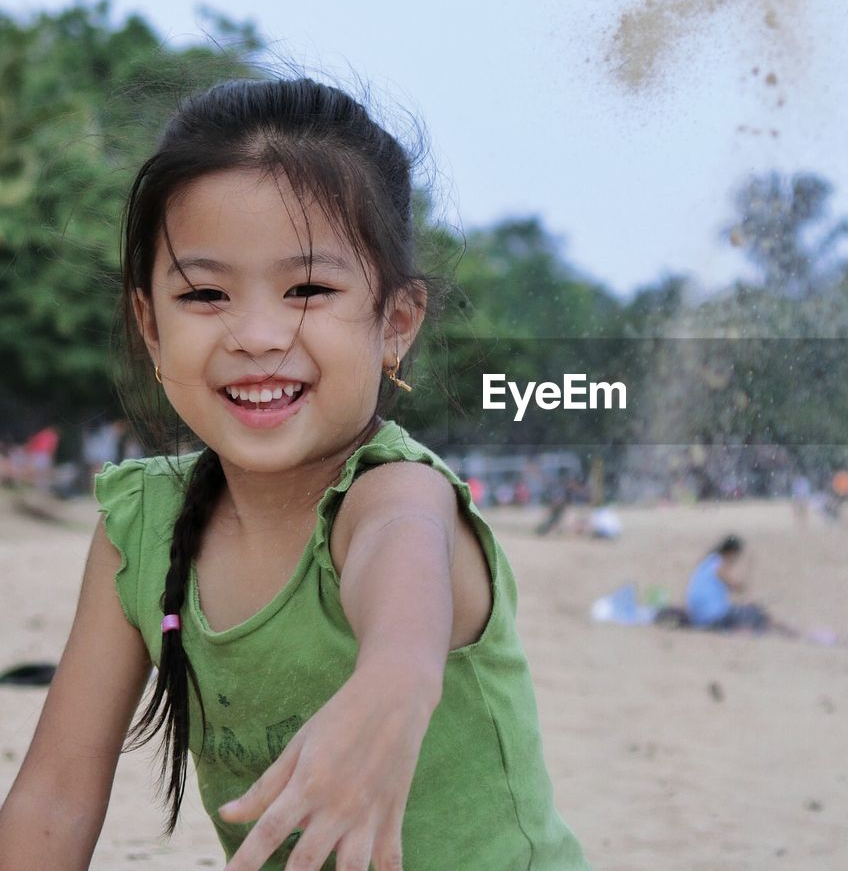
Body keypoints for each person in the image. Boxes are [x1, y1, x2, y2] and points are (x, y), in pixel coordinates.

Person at [0, 79, 589, 870]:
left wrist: (393, 689)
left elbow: (405, 578)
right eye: (205, 293)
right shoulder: (137, 527)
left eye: (308, 289)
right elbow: (56, 795)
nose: (257, 333)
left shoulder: (395, 493)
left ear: (396, 323)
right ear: (150, 323)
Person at [685, 535, 780, 633]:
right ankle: (776, 626)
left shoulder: (708, 561)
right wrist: (749, 566)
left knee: (746, 610)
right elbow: (739, 587)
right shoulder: (719, 566)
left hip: (697, 616)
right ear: (731, 553)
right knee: (755, 612)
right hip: (712, 617)